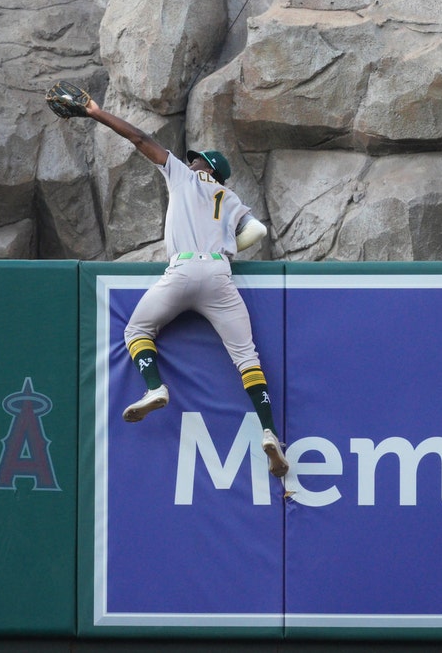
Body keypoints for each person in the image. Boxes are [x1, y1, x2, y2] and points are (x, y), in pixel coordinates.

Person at [83, 97, 290, 478]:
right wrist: (226, 250)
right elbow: (258, 231)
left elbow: (140, 138)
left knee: (137, 330)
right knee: (247, 359)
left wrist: (97, 114)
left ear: (204, 168)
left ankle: (155, 388)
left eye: (197, 159)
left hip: (181, 271)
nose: (190, 160)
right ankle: (269, 431)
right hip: (219, 276)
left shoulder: (184, 176)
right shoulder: (230, 198)